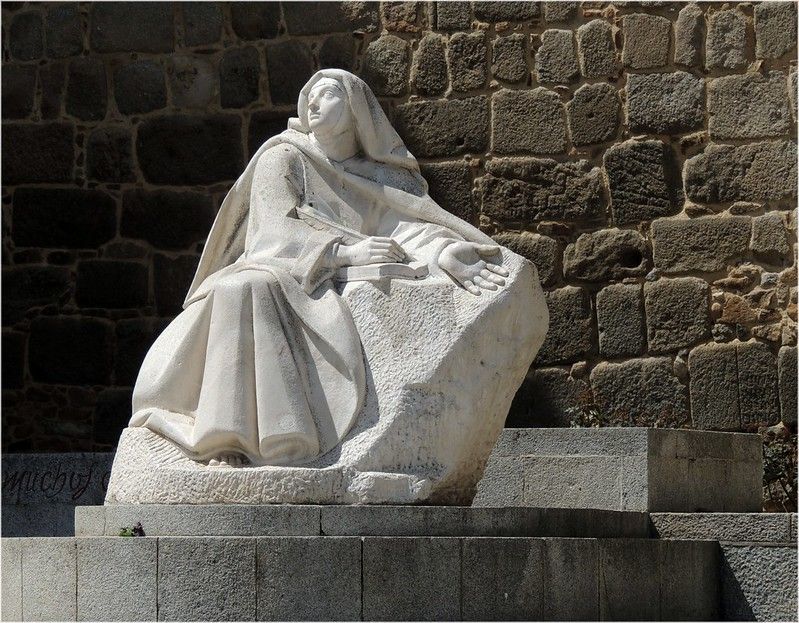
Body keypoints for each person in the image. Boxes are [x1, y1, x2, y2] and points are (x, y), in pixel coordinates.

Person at [129, 69, 510, 468]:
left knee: (256, 289)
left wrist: (444, 252)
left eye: (326, 94)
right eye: (307, 94)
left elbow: (407, 230)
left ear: (355, 110)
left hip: (319, 287)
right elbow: (273, 230)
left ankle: (283, 440)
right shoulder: (283, 157)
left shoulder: (379, 179)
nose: (311, 102)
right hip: (277, 269)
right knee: (245, 288)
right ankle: (227, 439)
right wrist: (343, 254)